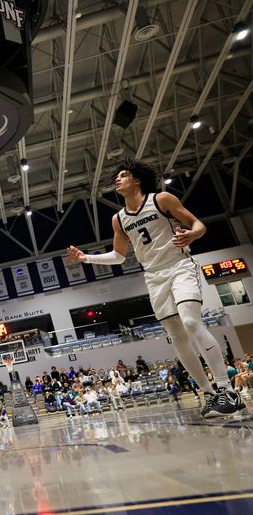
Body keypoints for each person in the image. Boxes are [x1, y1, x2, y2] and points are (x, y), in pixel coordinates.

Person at [67, 159, 244, 418]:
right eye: (116, 176)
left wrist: (192, 235)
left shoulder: (161, 200)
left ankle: (228, 391)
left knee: (191, 323)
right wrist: (86, 258)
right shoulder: (118, 219)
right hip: (154, 277)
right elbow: (118, 256)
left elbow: (199, 225)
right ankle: (208, 394)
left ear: (137, 180)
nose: (117, 179)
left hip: (180, 266)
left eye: (123, 175)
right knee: (178, 338)